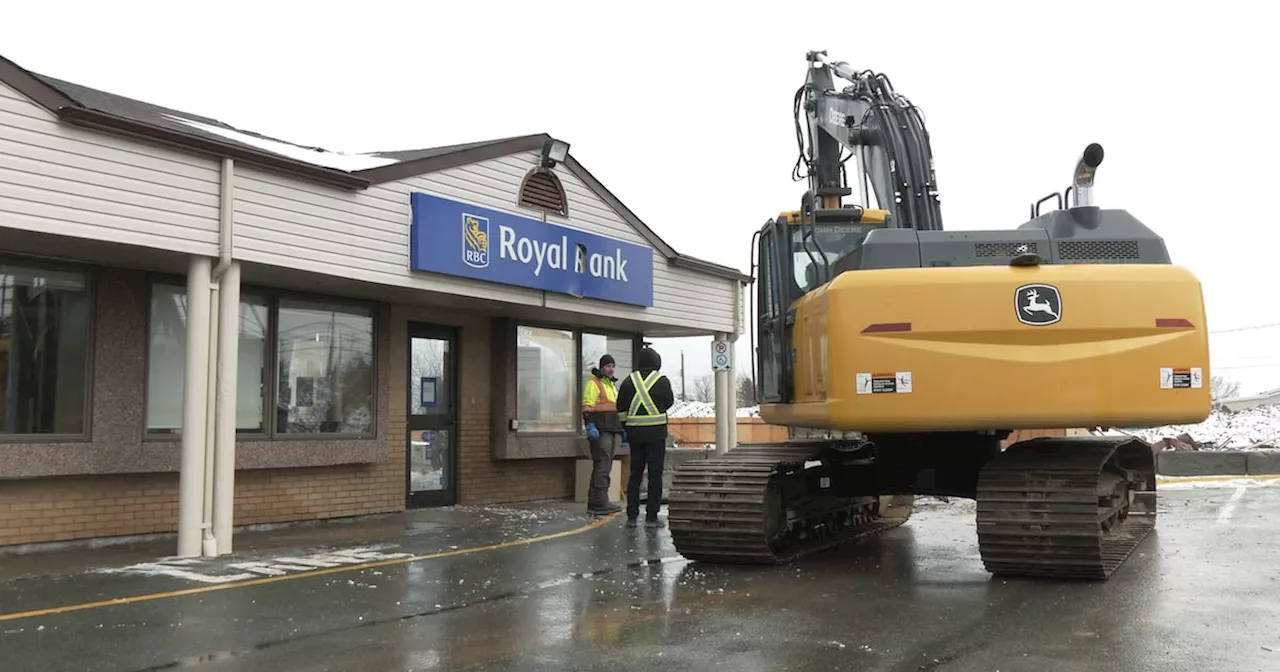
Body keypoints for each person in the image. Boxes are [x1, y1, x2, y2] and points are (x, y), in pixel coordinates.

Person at [615, 346, 675, 528]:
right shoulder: (662, 381)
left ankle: (632, 516)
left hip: (635, 436)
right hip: (656, 435)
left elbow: (621, 408)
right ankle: (651, 517)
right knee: (655, 476)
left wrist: (626, 427)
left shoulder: (628, 381)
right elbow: (668, 402)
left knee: (635, 475)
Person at [582, 354, 623, 516]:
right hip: (600, 431)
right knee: (603, 466)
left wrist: (622, 429)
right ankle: (600, 502)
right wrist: (590, 425)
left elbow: (615, 409)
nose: (611, 369)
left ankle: (595, 501)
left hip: (611, 430)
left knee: (604, 465)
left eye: (613, 366)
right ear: (601, 367)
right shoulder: (594, 384)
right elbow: (587, 406)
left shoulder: (612, 386)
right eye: (608, 366)